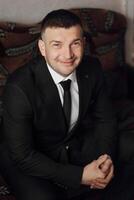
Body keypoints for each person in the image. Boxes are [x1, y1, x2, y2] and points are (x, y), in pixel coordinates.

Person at [0, 9, 117, 200]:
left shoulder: (92, 68)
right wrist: (79, 176)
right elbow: (23, 155)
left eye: (75, 44)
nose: (68, 54)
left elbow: (105, 120)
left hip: (70, 143)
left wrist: (105, 160)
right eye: (57, 45)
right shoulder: (19, 86)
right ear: (42, 48)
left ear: (83, 43)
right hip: (26, 157)